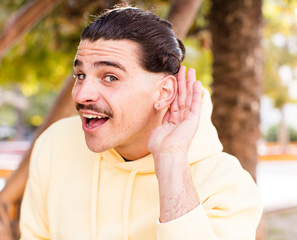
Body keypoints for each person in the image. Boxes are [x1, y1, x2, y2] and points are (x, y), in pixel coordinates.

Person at [20, 7, 262, 240]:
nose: (82, 94)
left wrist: (171, 162)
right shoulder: (56, 144)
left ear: (164, 92)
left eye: (110, 77)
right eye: (80, 75)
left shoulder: (226, 184)